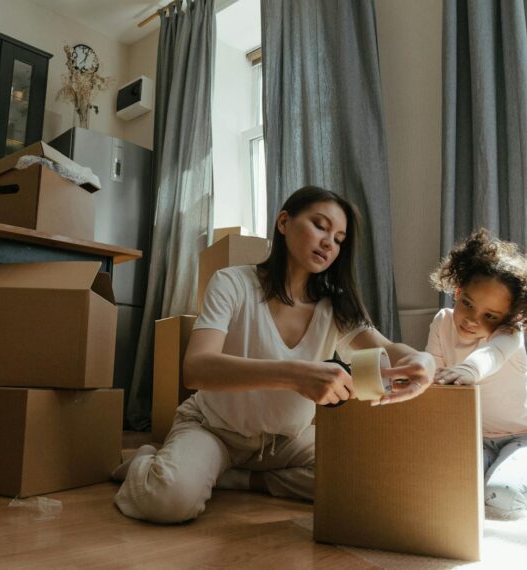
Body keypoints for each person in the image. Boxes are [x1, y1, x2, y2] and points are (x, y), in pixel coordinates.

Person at [112, 185, 436, 523]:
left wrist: (424, 360)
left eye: (339, 239)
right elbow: (196, 368)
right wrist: (297, 374)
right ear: (283, 222)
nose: (329, 242)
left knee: (369, 480)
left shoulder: (336, 305)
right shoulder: (232, 283)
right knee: (168, 502)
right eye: (320, 226)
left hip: (286, 442)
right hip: (214, 430)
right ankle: (145, 461)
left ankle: (239, 479)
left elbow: (387, 349)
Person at [426, 229, 527, 512]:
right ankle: (506, 477)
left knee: (499, 498)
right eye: (467, 303)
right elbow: (433, 370)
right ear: (457, 291)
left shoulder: (509, 333)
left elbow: (491, 355)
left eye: (489, 316)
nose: (471, 319)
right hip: (475, 437)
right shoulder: (442, 322)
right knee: (445, 489)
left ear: (509, 317)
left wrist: (468, 370)